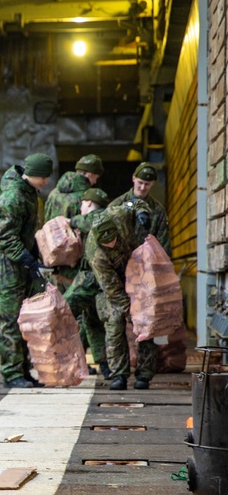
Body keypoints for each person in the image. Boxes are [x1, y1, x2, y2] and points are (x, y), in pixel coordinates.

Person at [0, 152, 54, 388]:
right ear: (31, 174)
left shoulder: (30, 194)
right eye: (42, 177)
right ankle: (12, 373)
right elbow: (5, 238)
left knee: (22, 319)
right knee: (8, 319)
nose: (45, 181)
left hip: (18, 261)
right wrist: (28, 259)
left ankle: (23, 371)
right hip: (4, 263)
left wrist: (34, 257)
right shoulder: (13, 198)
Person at [86, 199, 155, 390]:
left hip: (138, 271)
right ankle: (119, 375)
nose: (111, 245)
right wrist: (130, 312)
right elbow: (113, 291)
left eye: (113, 240)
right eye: (106, 244)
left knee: (147, 320)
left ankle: (145, 374)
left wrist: (143, 211)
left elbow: (136, 201)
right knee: (114, 321)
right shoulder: (97, 256)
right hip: (113, 284)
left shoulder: (120, 215)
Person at [62, 187, 111, 378]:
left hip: (91, 278)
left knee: (61, 311)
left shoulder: (97, 217)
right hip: (97, 279)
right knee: (93, 323)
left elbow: (88, 222)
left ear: (89, 203)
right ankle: (105, 366)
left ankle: (61, 361)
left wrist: (70, 220)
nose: (81, 207)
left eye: (82, 203)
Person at [43, 154, 104, 292]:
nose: (95, 182)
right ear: (89, 174)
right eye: (95, 177)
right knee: (76, 309)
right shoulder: (87, 196)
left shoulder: (53, 193)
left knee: (57, 308)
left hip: (53, 264)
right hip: (75, 268)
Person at [109, 162, 171, 257]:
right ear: (133, 178)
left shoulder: (158, 210)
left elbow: (163, 245)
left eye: (147, 184)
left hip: (146, 264)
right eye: (140, 182)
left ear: (152, 184)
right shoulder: (117, 204)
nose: (142, 188)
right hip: (120, 263)